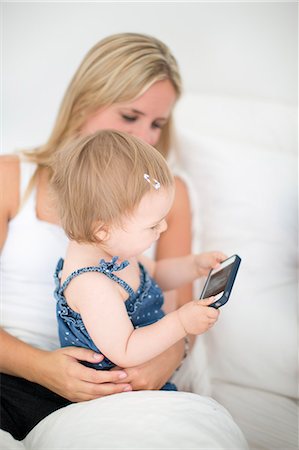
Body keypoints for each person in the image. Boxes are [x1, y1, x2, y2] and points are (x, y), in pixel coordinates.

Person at [0, 32, 193, 440]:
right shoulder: (12, 178)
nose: (144, 137)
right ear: (85, 101)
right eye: (129, 116)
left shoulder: (167, 197)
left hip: (120, 386)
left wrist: (164, 361)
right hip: (12, 375)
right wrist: (43, 367)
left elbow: (182, 311)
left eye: (157, 123)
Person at [51, 130, 224, 392]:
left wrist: (193, 266)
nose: (164, 227)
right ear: (103, 229)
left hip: (142, 385)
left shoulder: (114, 250)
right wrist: (181, 323)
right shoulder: (92, 284)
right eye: (153, 224)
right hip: (114, 396)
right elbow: (126, 349)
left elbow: (156, 275)